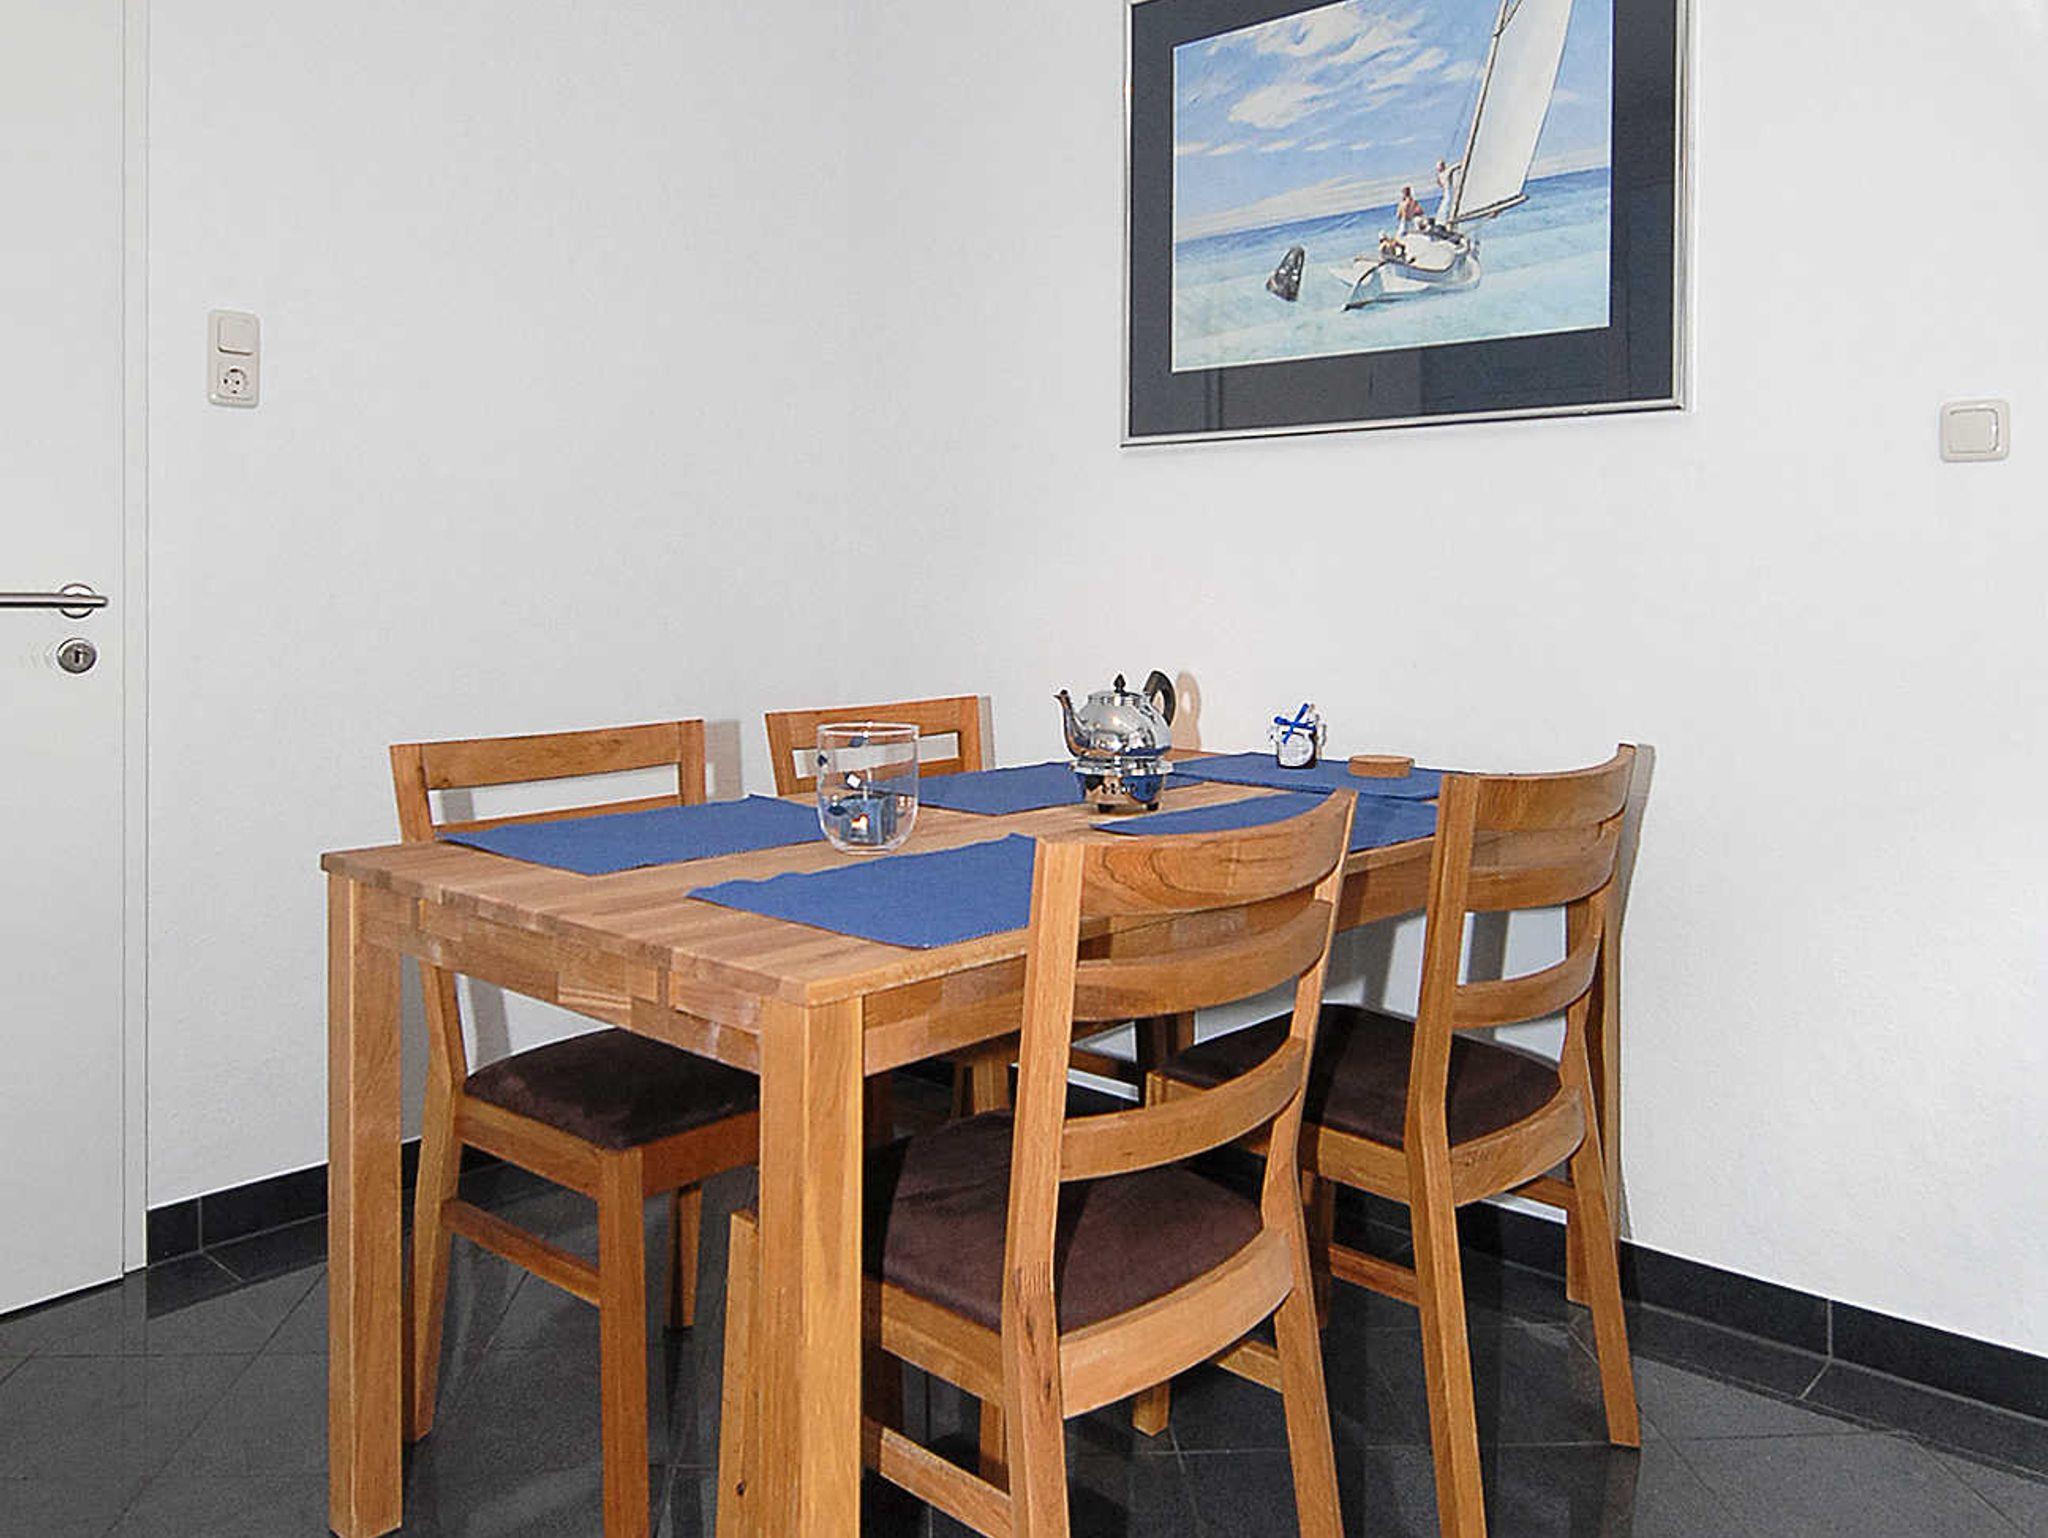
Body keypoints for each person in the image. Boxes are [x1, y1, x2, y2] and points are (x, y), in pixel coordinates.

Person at [1434, 158, 1461, 224]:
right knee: (1445, 205)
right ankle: (1442, 221)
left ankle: (1445, 221)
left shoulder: (1446, 172)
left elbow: (1454, 167)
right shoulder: (1440, 175)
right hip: (1446, 192)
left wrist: (1461, 164)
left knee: (1447, 205)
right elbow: (1440, 184)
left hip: (1449, 191)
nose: (1438, 168)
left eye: (1440, 166)